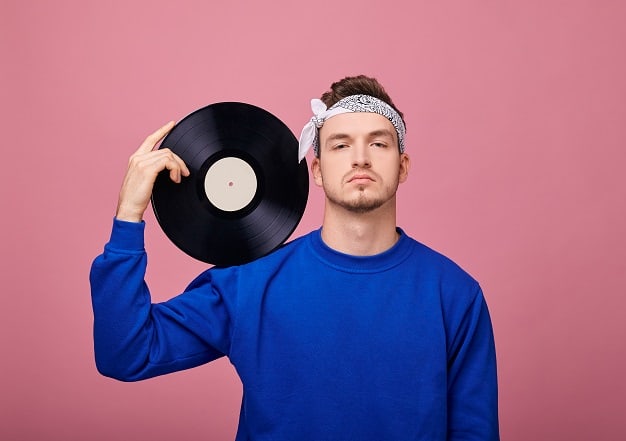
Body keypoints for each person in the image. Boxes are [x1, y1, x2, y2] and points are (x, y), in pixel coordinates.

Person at [90, 75, 499, 440]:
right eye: (341, 144)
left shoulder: (455, 295)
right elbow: (125, 353)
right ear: (317, 169)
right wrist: (129, 215)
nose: (361, 157)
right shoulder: (249, 285)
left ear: (403, 165)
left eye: (378, 142)